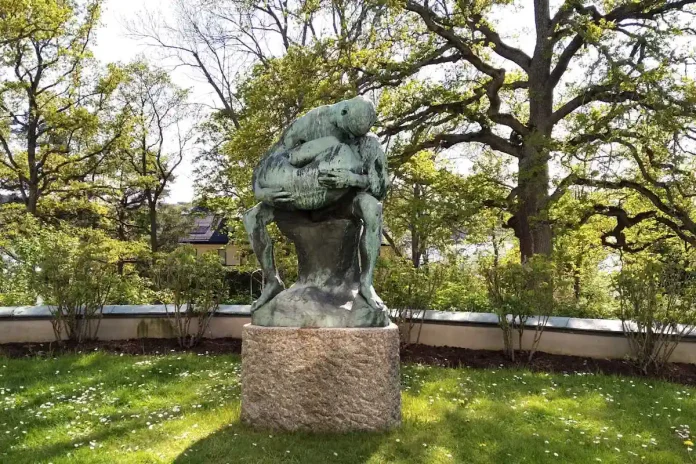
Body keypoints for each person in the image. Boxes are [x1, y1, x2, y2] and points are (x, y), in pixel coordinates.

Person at [243, 96, 388, 311]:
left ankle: (366, 285)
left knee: (372, 208)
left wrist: (352, 179)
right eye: (348, 131)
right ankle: (271, 281)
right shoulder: (310, 124)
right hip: (305, 198)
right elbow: (266, 164)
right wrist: (263, 193)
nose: (350, 137)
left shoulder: (369, 143)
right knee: (252, 217)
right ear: (344, 111)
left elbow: (380, 189)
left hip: (344, 201)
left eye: (356, 135)